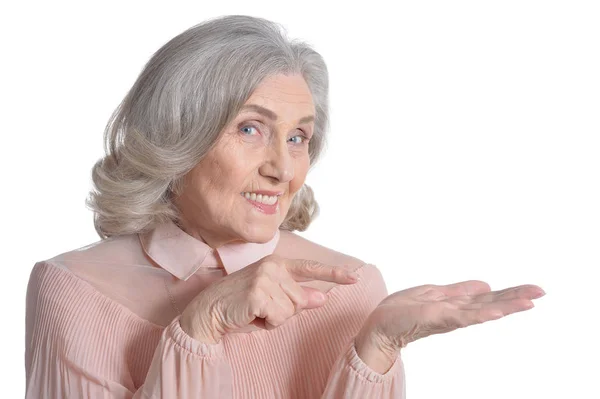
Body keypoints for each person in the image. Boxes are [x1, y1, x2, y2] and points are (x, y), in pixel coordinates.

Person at [24, 15, 545, 398]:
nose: (283, 167)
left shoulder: (350, 287)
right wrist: (197, 328)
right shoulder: (73, 289)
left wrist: (376, 351)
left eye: (299, 138)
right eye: (251, 129)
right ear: (176, 136)